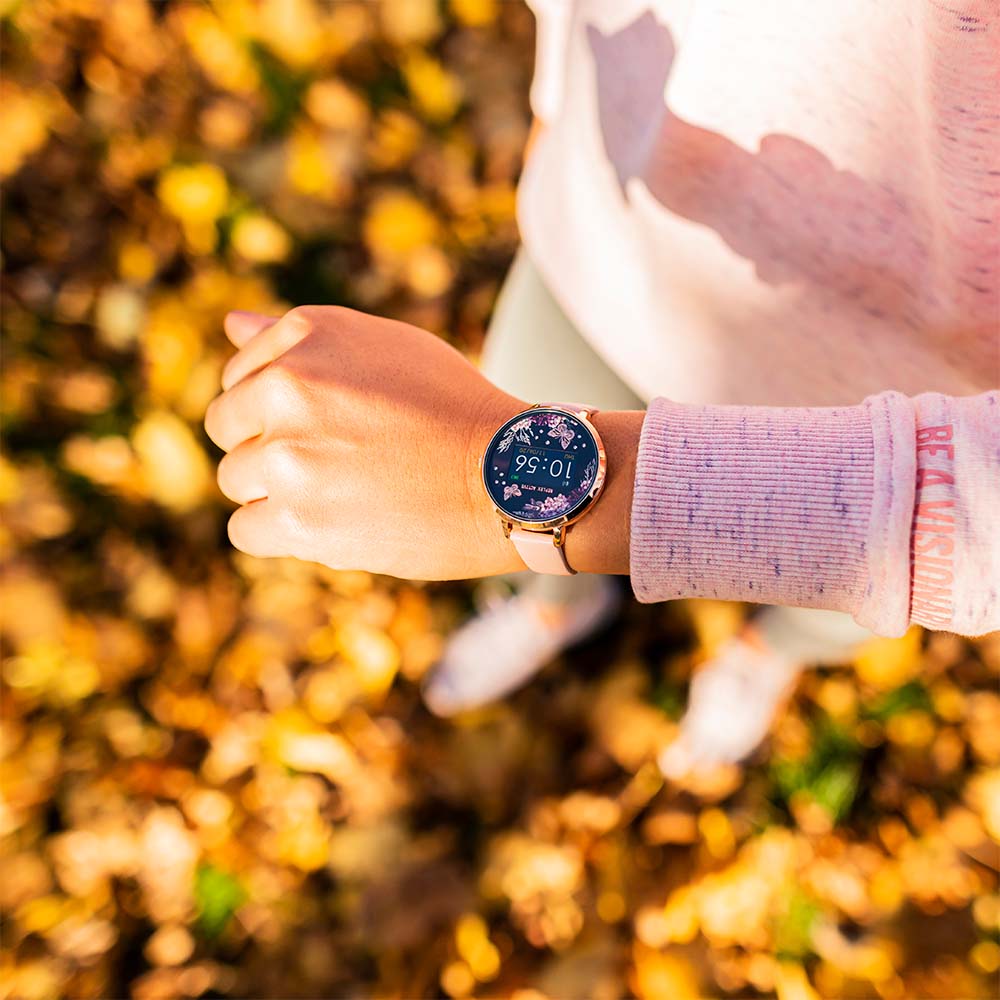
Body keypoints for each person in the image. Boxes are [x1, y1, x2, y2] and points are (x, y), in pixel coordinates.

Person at [204, 1, 1000, 775]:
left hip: (910, 416)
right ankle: (556, 604)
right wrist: (560, 80)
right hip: (607, 226)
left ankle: (762, 654)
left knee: (836, 605)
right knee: (528, 409)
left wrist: (485, 477)